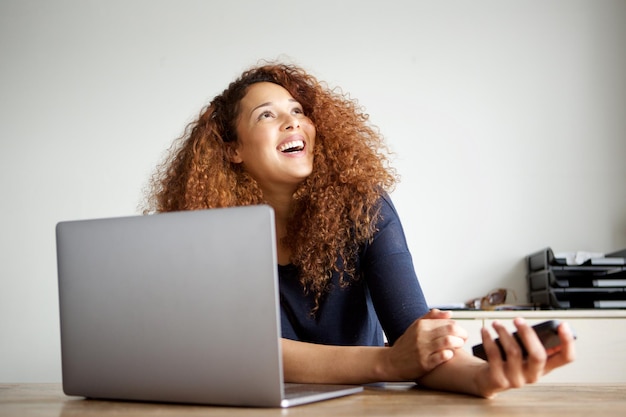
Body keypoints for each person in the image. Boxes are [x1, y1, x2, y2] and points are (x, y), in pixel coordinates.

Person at [143, 61, 576, 398]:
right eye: (266, 115)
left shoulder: (365, 208)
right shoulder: (209, 234)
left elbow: (416, 342)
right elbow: (244, 353)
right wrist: (388, 363)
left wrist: (484, 377)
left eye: (297, 111)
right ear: (232, 149)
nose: (293, 122)